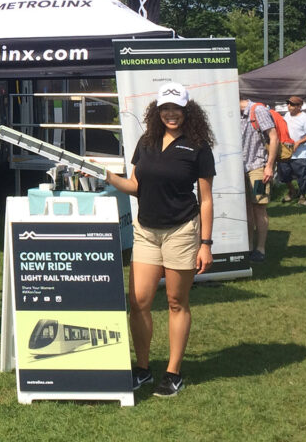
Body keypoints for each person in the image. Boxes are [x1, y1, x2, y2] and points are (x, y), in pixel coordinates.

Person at [101, 82, 214, 398]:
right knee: (138, 302)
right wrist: (108, 178)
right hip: (147, 232)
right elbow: (135, 185)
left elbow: (205, 199)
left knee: (177, 303)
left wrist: (206, 243)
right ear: (157, 110)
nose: (171, 113)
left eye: (177, 108)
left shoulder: (198, 147)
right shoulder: (146, 142)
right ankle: (143, 369)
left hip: (181, 231)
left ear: (186, 110)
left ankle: (173, 372)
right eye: (166, 108)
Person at [240, 97, 279, 262]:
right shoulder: (233, 114)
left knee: (259, 207)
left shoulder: (257, 110)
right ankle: (248, 247)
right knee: (246, 209)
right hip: (238, 170)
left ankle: (260, 249)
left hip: (257, 167)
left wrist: (269, 166)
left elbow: (274, 137)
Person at [279, 96, 306, 206]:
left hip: (300, 153)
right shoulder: (286, 115)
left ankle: (303, 196)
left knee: (302, 176)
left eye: (292, 104)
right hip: (285, 151)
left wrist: (298, 142)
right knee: (284, 174)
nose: (289, 106)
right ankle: (292, 191)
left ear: (299, 107)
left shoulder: (304, 118)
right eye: (288, 103)